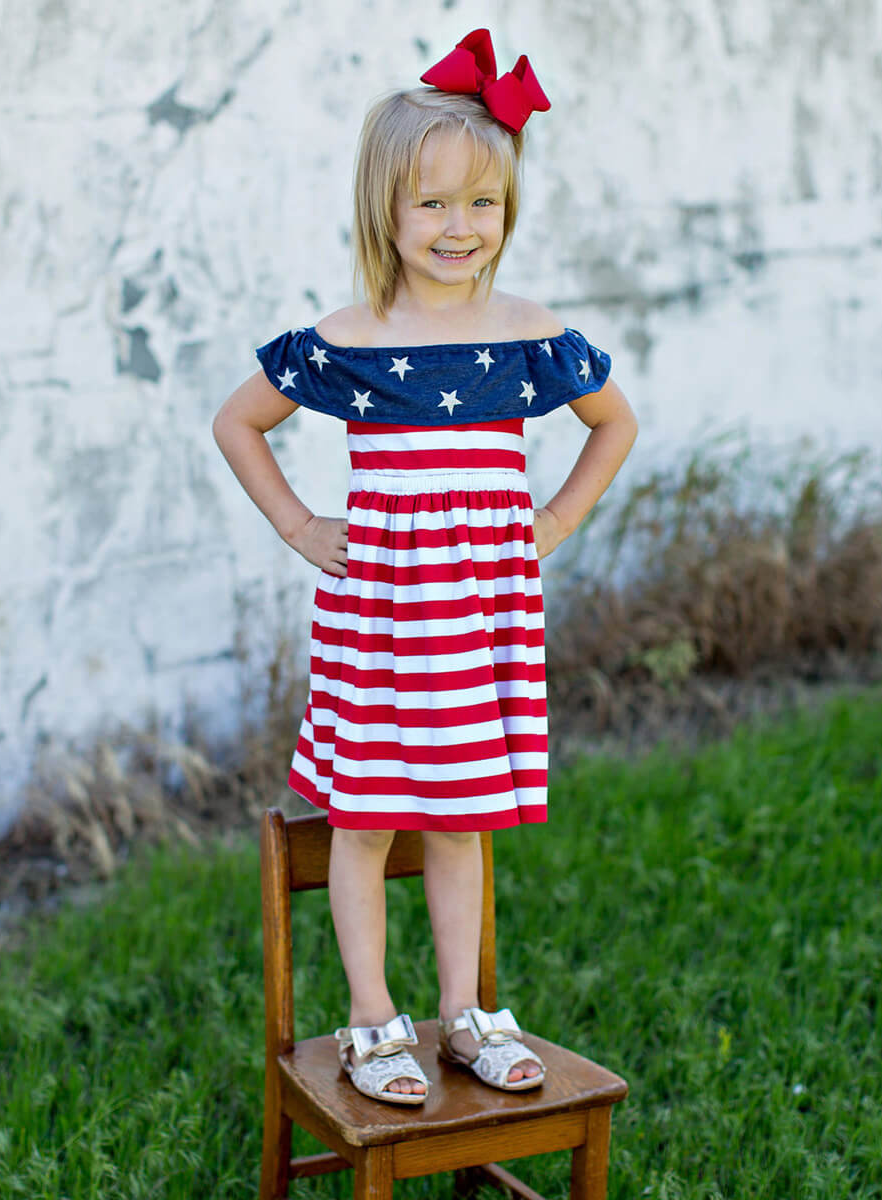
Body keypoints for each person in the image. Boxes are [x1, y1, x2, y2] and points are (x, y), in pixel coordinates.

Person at [213, 28, 637, 1105]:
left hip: (480, 617)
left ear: (509, 207)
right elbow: (237, 424)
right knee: (367, 819)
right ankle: (371, 1020)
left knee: (459, 817)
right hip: (385, 619)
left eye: (483, 204)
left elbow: (614, 424)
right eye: (434, 205)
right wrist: (304, 527)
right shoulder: (350, 342)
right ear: (386, 210)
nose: (461, 229)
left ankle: (467, 1018)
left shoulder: (527, 336)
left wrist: (552, 520)